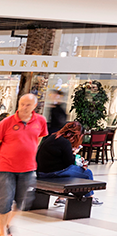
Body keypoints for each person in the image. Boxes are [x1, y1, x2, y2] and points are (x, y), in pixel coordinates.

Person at [0, 94, 48, 236]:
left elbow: (39, 138)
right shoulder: (7, 122)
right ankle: (2, 232)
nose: (24, 108)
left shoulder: (40, 121)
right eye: (22, 104)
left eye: (28, 105)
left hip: (28, 168)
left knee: (23, 202)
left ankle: (7, 223)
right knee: (4, 201)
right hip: (6, 168)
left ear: (34, 106)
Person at [35, 122, 102, 204]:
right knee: (87, 173)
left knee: (70, 174)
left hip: (41, 172)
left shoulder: (53, 137)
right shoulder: (65, 142)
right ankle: (90, 198)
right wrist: (74, 154)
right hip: (52, 173)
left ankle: (61, 198)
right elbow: (68, 162)